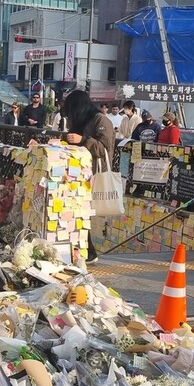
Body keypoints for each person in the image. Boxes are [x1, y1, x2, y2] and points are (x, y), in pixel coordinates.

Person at [60, 89, 115, 264]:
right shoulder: (81, 120)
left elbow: (104, 149)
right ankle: (83, 251)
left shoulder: (101, 120)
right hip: (76, 174)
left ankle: (90, 252)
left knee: (82, 214)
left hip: (93, 175)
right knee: (75, 213)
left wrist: (83, 139)